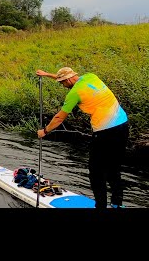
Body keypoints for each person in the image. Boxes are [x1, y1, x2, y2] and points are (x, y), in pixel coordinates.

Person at [36, 67, 129, 209]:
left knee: (96, 173)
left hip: (105, 132)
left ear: (67, 80)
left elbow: (59, 118)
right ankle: (117, 204)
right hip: (123, 125)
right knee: (113, 168)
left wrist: (45, 131)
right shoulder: (90, 77)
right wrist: (47, 74)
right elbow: (69, 79)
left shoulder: (74, 93)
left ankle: (101, 207)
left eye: (62, 83)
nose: (63, 86)